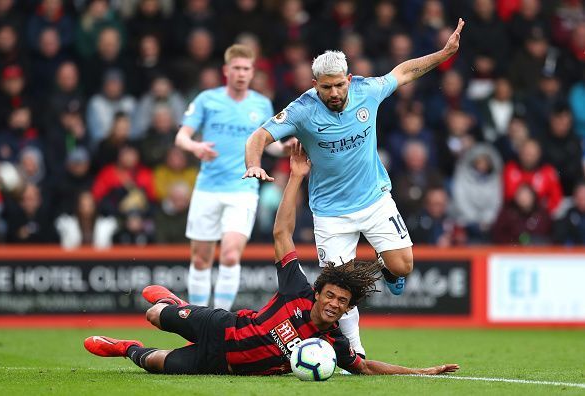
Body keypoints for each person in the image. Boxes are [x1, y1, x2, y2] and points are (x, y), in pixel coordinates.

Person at [83, 146, 459, 377]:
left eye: (342, 303)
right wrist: (295, 178)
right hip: (223, 328)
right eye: (331, 296)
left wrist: (423, 371)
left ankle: (123, 346)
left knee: (152, 362)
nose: (334, 305)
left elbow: (368, 367)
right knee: (154, 316)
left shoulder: (332, 343)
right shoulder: (296, 289)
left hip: (222, 366)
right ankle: (178, 305)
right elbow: (282, 235)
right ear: (319, 291)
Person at [243, 19, 466, 356]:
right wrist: (253, 164)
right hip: (330, 214)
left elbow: (404, 72)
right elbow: (259, 136)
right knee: (337, 287)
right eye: (326, 88)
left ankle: (389, 270)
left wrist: (444, 53)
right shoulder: (302, 110)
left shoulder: (367, 90)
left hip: (375, 200)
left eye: (339, 86)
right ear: (315, 84)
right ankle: (356, 353)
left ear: (348, 80)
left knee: (404, 266)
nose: (334, 93)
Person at [175, 44, 281, 311]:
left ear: (252, 71)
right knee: (200, 260)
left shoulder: (261, 103)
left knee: (232, 254)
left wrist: (285, 147)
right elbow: (181, 136)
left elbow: (268, 142)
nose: (241, 74)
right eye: (236, 68)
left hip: (243, 189)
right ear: (226, 70)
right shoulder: (207, 99)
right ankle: (197, 322)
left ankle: (219, 321)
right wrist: (195, 147)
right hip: (208, 188)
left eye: (246, 69)